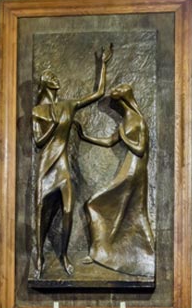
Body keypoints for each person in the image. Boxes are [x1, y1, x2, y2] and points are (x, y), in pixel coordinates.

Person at [33, 45, 113, 277]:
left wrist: (103, 65)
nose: (55, 79)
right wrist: (55, 125)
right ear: (45, 84)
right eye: (50, 77)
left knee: (68, 210)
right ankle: (39, 257)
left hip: (63, 167)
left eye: (55, 76)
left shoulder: (67, 106)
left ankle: (64, 255)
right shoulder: (37, 111)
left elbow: (97, 94)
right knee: (41, 212)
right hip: (46, 166)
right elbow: (38, 141)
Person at [75, 84, 155, 277]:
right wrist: (85, 136)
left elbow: (140, 149)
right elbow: (110, 141)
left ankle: (100, 253)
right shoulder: (128, 119)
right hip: (129, 169)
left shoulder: (138, 119)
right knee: (134, 213)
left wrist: (124, 136)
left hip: (133, 171)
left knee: (94, 204)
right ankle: (135, 255)